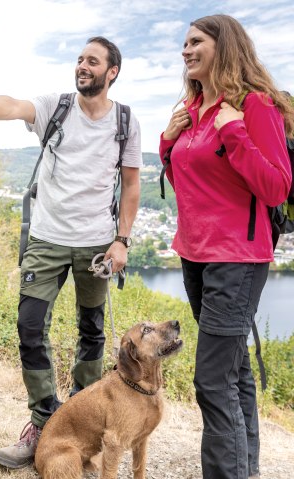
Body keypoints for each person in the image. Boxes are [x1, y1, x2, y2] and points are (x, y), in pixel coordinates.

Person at [0, 36, 142, 469]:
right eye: (80, 59)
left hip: (96, 245)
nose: (83, 66)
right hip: (47, 240)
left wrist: (122, 239)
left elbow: (131, 185)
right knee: (30, 327)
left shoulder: (125, 121)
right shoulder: (58, 105)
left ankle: (82, 425)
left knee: (92, 332)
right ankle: (44, 421)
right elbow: (12, 105)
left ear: (112, 72)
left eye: (93, 61)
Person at [159, 14, 293, 479]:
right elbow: (186, 184)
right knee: (233, 371)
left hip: (237, 258)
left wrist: (235, 132)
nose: (186, 50)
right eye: (184, 43)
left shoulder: (255, 106)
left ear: (224, 45)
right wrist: (167, 142)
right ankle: (245, 468)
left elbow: (277, 187)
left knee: (211, 380)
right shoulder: (192, 107)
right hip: (194, 254)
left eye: (195, 41)